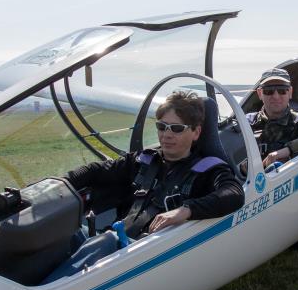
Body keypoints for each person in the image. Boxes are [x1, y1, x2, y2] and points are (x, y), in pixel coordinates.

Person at [65, 90, 243, 240]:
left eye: (177, 128)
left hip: (143, 251)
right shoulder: (144, 160)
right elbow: (94, 171)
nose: (167, 135)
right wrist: (61, 183)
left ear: (196, 132)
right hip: (112, 241)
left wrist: (185, 210)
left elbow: (234, 193)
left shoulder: (209, 169)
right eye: (162, 126)